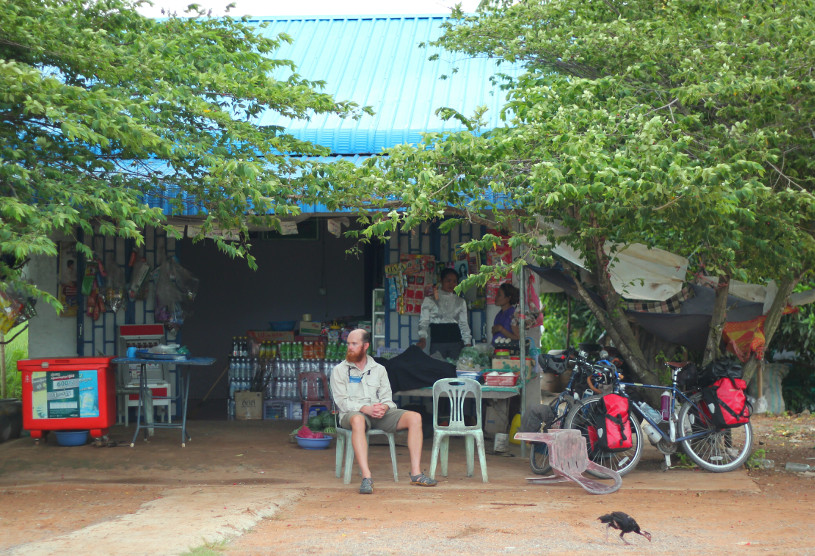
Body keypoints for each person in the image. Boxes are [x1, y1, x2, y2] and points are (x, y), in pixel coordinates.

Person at [331, 329, 437, 494]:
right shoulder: (340, 370)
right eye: (348, 344)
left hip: (377, 414)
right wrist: (364, 408)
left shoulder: (379, 369)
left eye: (354, 344)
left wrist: (384, 407)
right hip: (352, 414)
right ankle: (367, 477)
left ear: (365, 346)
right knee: (358, 420)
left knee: (415, 417)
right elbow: (341, 402)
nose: (349, 347)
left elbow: (387, 398)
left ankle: (416, 474)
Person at [416, 268, 472, 360]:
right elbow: (424, 321)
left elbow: (463, 324)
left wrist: (468, 343)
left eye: (454, 281)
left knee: (455, 371)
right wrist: (422, 338)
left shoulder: (461, 302)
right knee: (437, 371)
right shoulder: (430, 300)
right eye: (448, 281)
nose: (451, 284)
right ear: (441, 281)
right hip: (437, 342)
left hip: (456, 343)